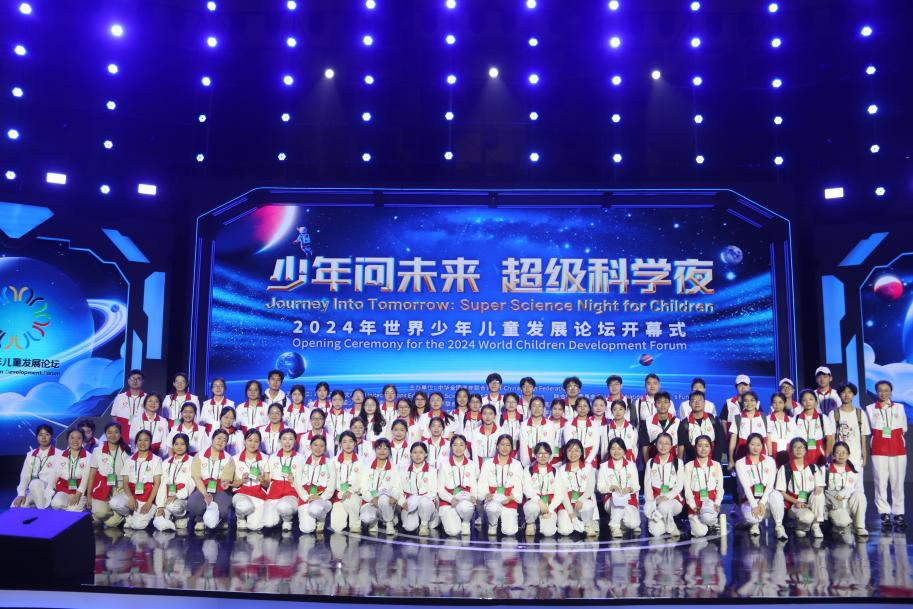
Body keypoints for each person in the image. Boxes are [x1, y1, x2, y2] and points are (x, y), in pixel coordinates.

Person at [866, 380, 907, 529]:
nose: (883, 393)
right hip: (879, 450)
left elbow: (904, 428)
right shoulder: (870, 409)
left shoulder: (899, 407)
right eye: (880, 390)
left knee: (898, 483)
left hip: (898, 449)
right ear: (876, 392)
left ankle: (898, 513)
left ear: (891, 392)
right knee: (880, 482)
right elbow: (869, 428)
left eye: (886, 390)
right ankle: (884, 513)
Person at [735, 433, 786, 539]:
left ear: (763, 446)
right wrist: (754, 505)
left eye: (758, 445)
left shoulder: (770, 461)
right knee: (753, 518)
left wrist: (762, 502)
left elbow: (770, 484)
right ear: (748, 445)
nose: (755, 447)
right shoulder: (740, 463)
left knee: (776, 494)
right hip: (750, 501)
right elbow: (745, 486)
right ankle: (754, 524)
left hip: (766, 501)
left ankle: (779, 526)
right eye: (752, 444)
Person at [109, 429, 163, 529]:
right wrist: (131, 498)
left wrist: (149, 503)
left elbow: (157, 483)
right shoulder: (129, 460)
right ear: (136, 443)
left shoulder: (156, 460)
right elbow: (125, 482)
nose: (143, 443)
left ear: (150, 442)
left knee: (138, 526)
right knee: (114, 502)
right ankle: (128, 516)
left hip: (148, 497)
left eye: (146, 440)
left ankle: (148, 514)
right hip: (132, 494)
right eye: (140, 440)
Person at [775, 438, 825, 538]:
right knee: (807, 517)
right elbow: (781, 492)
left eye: (801, 447)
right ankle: (800, 526)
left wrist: (818, 488)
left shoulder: (813, 467)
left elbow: (820, 486)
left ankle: (816, 525)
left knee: (819, 495)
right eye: (795, 447)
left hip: (810, 501)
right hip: (794, 504)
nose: (798, 449)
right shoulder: (785, 468)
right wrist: (796, 501)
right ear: (790, 450)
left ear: (806, 450)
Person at [188, 429, 236, 532]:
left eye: (224, 440)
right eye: (218, 438)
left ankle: (220, 520)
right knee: (193, 504)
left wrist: (225, 483)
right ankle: (200, 519)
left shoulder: (229, 458)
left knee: (223, 509)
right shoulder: (199, 456)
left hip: (220, 489)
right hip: (203, 487)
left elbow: (226, 479)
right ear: (212, 439)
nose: (221, 442)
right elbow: (197, 477)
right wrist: (205, 494)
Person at [85, 421, 131, 525]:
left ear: (120, 434)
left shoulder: (127, 450)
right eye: (109, 432)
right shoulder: (98, 451)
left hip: (122, 488)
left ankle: (117, 511)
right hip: (103, 487)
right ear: (105, 434)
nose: (113, 435)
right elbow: (92, 474)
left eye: (116, 432)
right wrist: (89, 495)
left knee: (112, 523)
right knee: (100, 513)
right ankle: (105, 511)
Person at [477, 434, 524, 536]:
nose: (505, 448)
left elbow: (519, 487)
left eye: (508, 445)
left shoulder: (517, 464)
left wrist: (511, 497)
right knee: (493, 508)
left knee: (509, 532)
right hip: (493, 499)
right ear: (497, 446)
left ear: (511, 447)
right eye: (502, 444)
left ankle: (504, 516)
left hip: (509, 499)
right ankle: (492, 524)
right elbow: (482, 483)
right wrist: (486, 494)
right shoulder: (487, 463)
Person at [291, 435, 336, 534]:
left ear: (325, 448)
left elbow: (331, 486)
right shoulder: (302, 462)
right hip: (306, 497)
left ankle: (321, 518)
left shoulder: (329, 463)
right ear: (310, 446)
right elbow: (297, 483)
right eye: (315, 445)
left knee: (315, 509)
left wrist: (321, 497)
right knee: (307, 529)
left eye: (321, 446)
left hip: (322, 497)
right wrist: (306, 497)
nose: (318, 448)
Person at [643, 433, 684, 537]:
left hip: (674, 500)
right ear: (656, 445)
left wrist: (666, 497)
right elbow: (647, 487)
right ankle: (663, 519)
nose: (663, 446)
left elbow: (679, 486)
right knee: (656, 532)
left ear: (671, 446)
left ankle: (672, 527)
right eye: (660, 443)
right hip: (656, 500)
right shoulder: (650, 463)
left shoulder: (678, 463)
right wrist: (652, 504)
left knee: (664, 506)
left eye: (667, 443)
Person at [597, 438, 640, 537]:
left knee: (633, 524)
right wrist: (610, 488)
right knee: (617, 502)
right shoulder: (603, 467)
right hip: (611, 500)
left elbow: (637, 486)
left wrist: (630, 489)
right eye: (613, 449)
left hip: (629, 499)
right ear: (609, 451)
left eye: (619, 449)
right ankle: (615, 527)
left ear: (624, 450)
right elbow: (600, 487)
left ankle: (621, 522)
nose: (616, 452)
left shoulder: (631, 465)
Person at [359, 438, 403, 535]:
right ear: (374, 450)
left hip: (387, 501)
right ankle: (375, 520)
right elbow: (363, 489)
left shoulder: (394, 468)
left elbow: (397, 488)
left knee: (383, 498)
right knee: (366, 518)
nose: (382, 451)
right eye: (379, 448)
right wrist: (371, 498)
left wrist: (394, 496)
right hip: (371, 501)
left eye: (385, 448)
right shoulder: (367, 467)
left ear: (389, 451)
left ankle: (389, 522)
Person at [438, 434, 480, 536]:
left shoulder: (471, 464)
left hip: (465, 499)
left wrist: (474, 496)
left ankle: (466, 523)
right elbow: (440, 488)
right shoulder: (444, 464)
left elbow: (474, 485)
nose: (458, 448)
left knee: (466, 507)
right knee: (453, 532)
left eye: (461, 445)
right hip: (449, 501)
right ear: (451, 447)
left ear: (465, 447)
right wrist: (450, 499)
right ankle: (453, 519)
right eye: (455, 445)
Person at [683, 435, 724, 537]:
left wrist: (717, 503)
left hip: (711, 502)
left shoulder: (716, 465)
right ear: (695, 447)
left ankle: (711, 522)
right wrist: (693, 506)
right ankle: (705, 523)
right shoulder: (688, 466)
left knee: (707, 518)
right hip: (695, 503)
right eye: (700, 445)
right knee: (699, 533)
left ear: (711, 448)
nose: (703, 449)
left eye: (706, 446)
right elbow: (687, 490)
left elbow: (720, 488)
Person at [264, 429, 305, 531]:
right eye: (284, 439)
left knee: (284, 506)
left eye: (290, 439)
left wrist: (294, 480)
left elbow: (305, 480)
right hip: (274, 494)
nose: (287, 442)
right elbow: (267, 479)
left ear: (295, 441)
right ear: (280, 441)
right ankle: (279, 518)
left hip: (291, 493)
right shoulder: (272, 457)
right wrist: (263, 480)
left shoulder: (301, 458)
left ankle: (287, 520)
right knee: (268, 523)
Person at [556, 438, 599, 537]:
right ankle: (574, 522)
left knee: (588, 505)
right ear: (566, 452)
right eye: (570, 450)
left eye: (576, 450)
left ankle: (588, 524)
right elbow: (563, 494)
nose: (573, 453)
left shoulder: (588, 467)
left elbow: (590, 488)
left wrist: (581, 499)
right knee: (565, 531)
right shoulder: (561, 470)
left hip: (582, 503)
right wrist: (571, 513)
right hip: (567, 505)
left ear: (581, 452)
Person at [825, 441, 868, 537]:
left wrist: (845, 492)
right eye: (838, 452)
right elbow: (824, 491)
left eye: (844, 452)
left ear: (848, 455)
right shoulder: (826, 470)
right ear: (833, 455)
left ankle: (859, 527)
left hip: (849, 505)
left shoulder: (854, 471)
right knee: (842, 523)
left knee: (860, 496)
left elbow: (859, 489)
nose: (841, 455)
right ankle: (836, 525)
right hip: (835, 506)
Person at [153, 433, 194, 531]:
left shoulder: (192, 461)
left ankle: (182, 516)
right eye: (176, 444)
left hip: (183, 498)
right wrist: (160, 506)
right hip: (167, 499)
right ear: (173, 446)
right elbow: (162, 485)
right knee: (160, 523)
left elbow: (191, 484)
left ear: (187, 445)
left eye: (182, 444)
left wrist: (177, 495)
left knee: (172, 506)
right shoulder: (166, 462)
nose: (179, 447)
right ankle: (171, 516)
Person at [232, 428, 271, 531]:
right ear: (244, 441)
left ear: (259, 443)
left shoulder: (265, 458)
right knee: (244, 506)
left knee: (255, 527)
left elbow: (267, 484)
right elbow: (232, 483)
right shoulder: (235, 459)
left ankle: (250, 517)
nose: (252, 444)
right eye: (250, 440)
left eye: (256, 441)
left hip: (258, 494)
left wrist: (262, 480)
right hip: (241, 492)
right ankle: (240, 517)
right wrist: (241, 480)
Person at [12, 424, 58, 509]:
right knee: (15, 506)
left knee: (35, 483)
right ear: (37, 437)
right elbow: (25, 476)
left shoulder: (59, 454)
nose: (44, 438)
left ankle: (43, 513)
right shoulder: (30, 455)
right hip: (33, 489)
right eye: (41, 435)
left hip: (50, 490)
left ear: (51, 436)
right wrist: (21, 494)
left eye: (47, 434)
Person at [522, 442, 562, 537]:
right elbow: (526, 489)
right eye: (540, 453)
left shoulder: (555, 471)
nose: (543, 456)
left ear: (550, 455)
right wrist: (539, 501)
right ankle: (530, 523)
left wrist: (550, 510)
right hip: (534, 502)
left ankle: (544, 522)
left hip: (549, 505)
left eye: (546, 453)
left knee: (548, 533)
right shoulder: (528, 469)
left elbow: (559, 494)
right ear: (535, 455)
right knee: (531, 508)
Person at [400, 442, 440, 536]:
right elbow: (399, 490)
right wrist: (402, 502)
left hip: (426, 503)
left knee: (424, 501)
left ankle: (424, 524)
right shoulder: (403, 471)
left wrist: (416, 499)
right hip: (409, 504)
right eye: (415, 452)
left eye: (421, 452)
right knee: (409, 527)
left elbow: (433, 493)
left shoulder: (432, 471)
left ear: (426, 454)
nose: (418, 455)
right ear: (410, 454)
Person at [829, 382, 870, 472]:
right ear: (839, 395)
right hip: (839, 456)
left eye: (849, 392)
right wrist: (832, 455)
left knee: (857, 480)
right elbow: (832, 437)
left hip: (856, 456)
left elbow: (863, 437)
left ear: (854, 394)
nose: (846, 395)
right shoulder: (833, 414)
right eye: (843, 392)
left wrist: (864, 455)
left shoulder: (860, 413)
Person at [49, 428, 90, 512]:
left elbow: (86, 479)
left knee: (73, 511)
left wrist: (78, 494)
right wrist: (51, 493)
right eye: (72, 437)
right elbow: (53, 476)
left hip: (80, 492)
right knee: (56, 503)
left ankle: (82, 509)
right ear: (67, 439)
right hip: (63, 490)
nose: (75, 440)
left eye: (79, 438)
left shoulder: (89, 457)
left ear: (83, 440)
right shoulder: (59, 455)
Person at [677, 391, 724, 463]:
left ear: (704, 403)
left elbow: (720, 442)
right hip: (692, 463)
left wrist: (715, 462)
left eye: (700, 400)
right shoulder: (684, 423)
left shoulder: (714, 420)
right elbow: (682, 446)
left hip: (713, 462)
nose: (697, 403)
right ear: (689, 403)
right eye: (694, 400)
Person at [330, 431, 363, 532]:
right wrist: (341, 492)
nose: (348, 444)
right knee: (337, 527)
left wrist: (351, 490)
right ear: (340, 444)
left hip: (354, 494)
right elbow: (331, 480)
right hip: (339, 495)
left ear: (355, 443)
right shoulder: (334, 461)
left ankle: (355, 523)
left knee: (351, 500)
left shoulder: (361, 461)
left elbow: (361, 480)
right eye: (344, 442)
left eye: (351, 441)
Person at [794, 388, 835, 467]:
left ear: (816, 401)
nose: (808, 402)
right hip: (801, 452)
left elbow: (830, 439)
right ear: (801, 403)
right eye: (804, 400)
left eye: (811, 399)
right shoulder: (795, 419)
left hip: (819, 454)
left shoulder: (823, 418)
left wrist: (825, 455)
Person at [728, 391, 768, 467]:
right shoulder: (738, 418)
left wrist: (770, 456)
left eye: (752, 400)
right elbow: (733, 440)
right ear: (742, 403)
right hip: (742, 452)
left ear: (757, 402)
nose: (749, 403)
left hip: (761, 452)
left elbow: (768, 438)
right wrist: (730, 459)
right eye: (746, 401)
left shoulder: (763, 417)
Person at [638, 391, 680, 462]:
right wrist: (648, 464)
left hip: (673, 462)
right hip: (653, 461)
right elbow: (645, 446)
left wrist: (679, 463)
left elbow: (681, 446)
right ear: (655, 405)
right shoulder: (647, 422)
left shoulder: (678, 422)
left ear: (670, 404)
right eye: (659, 402)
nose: (662, 405)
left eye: (665, 402)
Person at [518, 396, 559, 467]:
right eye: (534, 406)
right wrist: (528, 466)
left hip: (545, 463)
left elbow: (551, 446)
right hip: (528, 464)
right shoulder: (524, 425)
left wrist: (545, 463)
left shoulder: (550, 424)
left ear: (543, 408)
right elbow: (523, 448)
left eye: (539, 406)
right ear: (530, 408)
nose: (537, 409)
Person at [110, 369, 146, 443]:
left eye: (138, 379)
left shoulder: (147, 398)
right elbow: (114, 416)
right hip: (122, 434)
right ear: (128, 381)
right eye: (133, 378)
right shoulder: (120, 397)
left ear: (143, 381)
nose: (135, 381)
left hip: (140, 434)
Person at [564, 397, 599, 465]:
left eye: (585, 406)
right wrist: (577, 460)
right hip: (573, 456)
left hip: (590, 458)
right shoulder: (568, 424)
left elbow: (596, 445)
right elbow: (568, 444)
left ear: (589, 408)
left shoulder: (595, 424)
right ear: (576, 408)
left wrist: (588, 461)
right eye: (579, 406)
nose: (582, 408)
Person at [766, 392, 797, 467]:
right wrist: (770, 454)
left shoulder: (791, 420)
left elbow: (795, 438)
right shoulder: (767, 419)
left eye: (780, 402)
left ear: (785, 403)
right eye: (775, 402)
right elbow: (767, 439)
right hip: (773, 449)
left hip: (788, 450)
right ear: (771, 404)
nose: (777, 405)